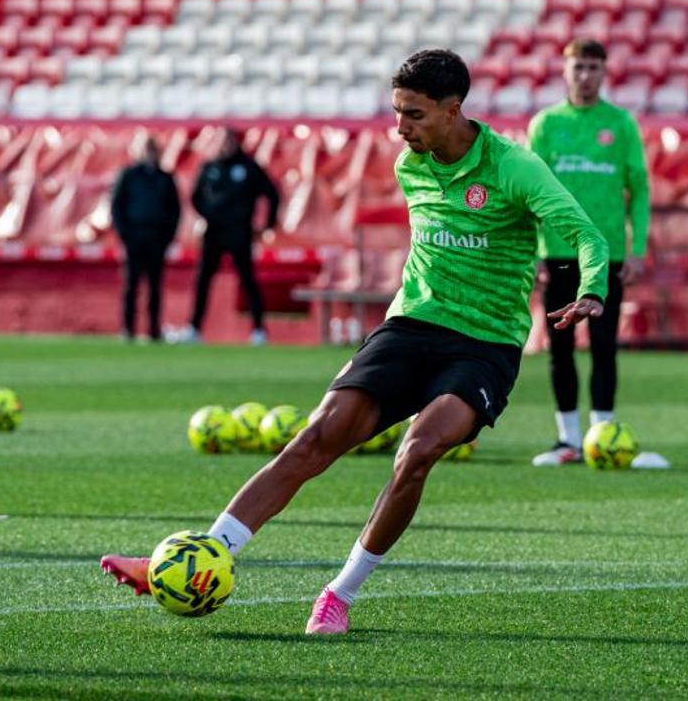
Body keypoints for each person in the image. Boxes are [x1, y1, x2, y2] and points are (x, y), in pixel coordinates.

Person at [101, 49, 609, 634]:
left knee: (418, 451)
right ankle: (198, 557)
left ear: (453, 110)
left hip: (484, 342)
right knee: (315, 437)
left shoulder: (515, 168)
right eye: (397, 112)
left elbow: (585, 234)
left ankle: (338, 595)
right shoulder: (411, 165)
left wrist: (592, 289)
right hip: (411, 325)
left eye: (414, 115)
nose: (400, 127)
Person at [527, 38, 650, 468]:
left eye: (593, 67)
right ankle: (568, 440)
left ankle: (602, 435)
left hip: (607, 255)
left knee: (603, 345)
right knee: (560, 347)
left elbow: (639, 190)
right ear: (565, 71)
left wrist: (637, 248)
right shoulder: (546, 124)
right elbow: (528, 193)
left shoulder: (620, 124)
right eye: (578, 67)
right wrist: (533, 252)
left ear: (604, 72)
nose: (585, 76)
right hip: (558, 250)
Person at [171, 130, 279, 346]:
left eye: (229, 141)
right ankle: (194, 328)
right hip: (214, 232)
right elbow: (195, 196)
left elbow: (272, 194)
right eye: (221, 141)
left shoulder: (248, 167)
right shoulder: (210, 167)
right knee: (203, 280)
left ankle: (259, 330)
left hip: (239, 232)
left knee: (248, 280)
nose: (225, 145)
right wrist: (208, 214)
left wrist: (267, 225)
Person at [110, 134, 180, 342]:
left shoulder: (164, 178)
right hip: (134, 236)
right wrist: (124, 233)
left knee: (155, 286)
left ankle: (154, 330)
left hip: (157, 237)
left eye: (152, 149)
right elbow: (117, 206)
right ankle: (128, 329)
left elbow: (174, 209)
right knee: (131, 285)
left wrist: (167, 236)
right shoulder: (128, 175)